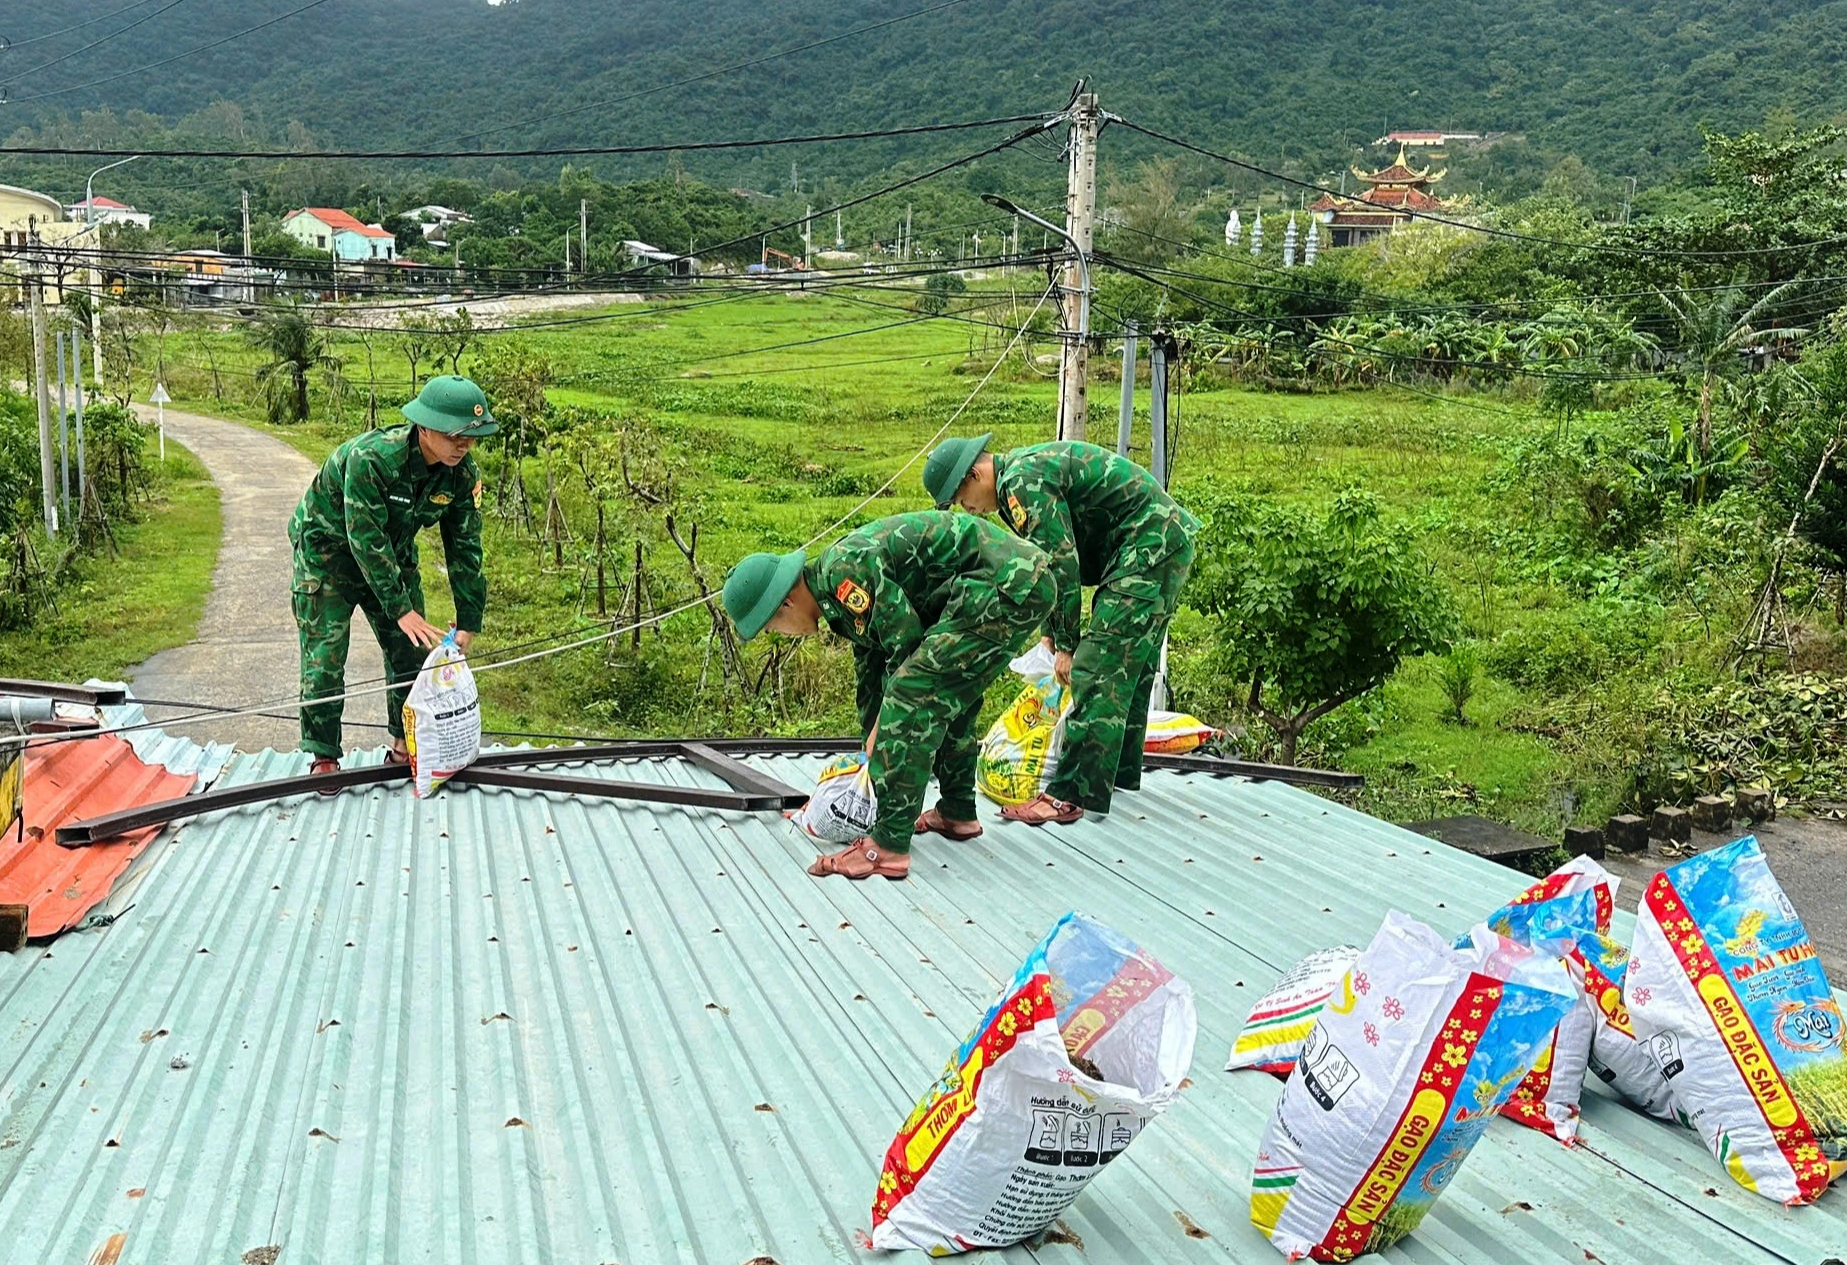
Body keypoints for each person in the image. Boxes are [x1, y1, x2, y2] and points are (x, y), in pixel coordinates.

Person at [722, 510, 1052, 879]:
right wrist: (869, 757)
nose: (778, 633)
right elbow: (872, 674)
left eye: (771, 627)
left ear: (784, 604)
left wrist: (887, 727)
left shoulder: (843, 574)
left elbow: (907, 651)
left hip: (1009, 581)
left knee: (913, 693)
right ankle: (957, 812)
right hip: (997, 586)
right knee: (945, 696)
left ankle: (888, 849)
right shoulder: (836, 602)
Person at [922, 434, 1199, 824]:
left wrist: (1068, 645)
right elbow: (1048, 561)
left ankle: (1069, 795)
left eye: (960, 497)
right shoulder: (1020, 475)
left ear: (974, 475)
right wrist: (1052, 631)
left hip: (1147, 543)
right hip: (1157, 540)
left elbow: (1060, 563)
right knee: (1130, 664)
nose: (967, 509)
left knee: (1101, 663)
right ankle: (1114, 773)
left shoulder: (1020, 483)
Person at [289, 375, 497, 781]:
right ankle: (323, 756)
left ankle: (405, 746)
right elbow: (364, 538)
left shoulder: (460, 476)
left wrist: (469, 619)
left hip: (392, 554)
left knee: (411, 651)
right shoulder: (373, 459)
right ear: (425, 426)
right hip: (327, 554)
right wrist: (401, 608)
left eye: (472, 438)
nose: (464, 445)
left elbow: (465, 547)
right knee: (325, 656)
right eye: (456, 435)